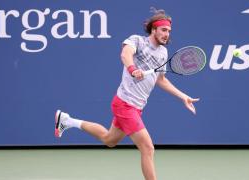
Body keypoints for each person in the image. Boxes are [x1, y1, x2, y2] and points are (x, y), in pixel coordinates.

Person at [54, 8, 199, 180]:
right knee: (148, 148)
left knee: (109, 140)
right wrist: (132, 68)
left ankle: (67, 120)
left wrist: (183, 96)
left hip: (137, 107)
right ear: (153, 29)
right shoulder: (137, 40)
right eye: (163, 30)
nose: (167, 34)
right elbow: (125, 54)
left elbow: (160, 80)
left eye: (169, 31)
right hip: (125, 104)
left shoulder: (163, 53)